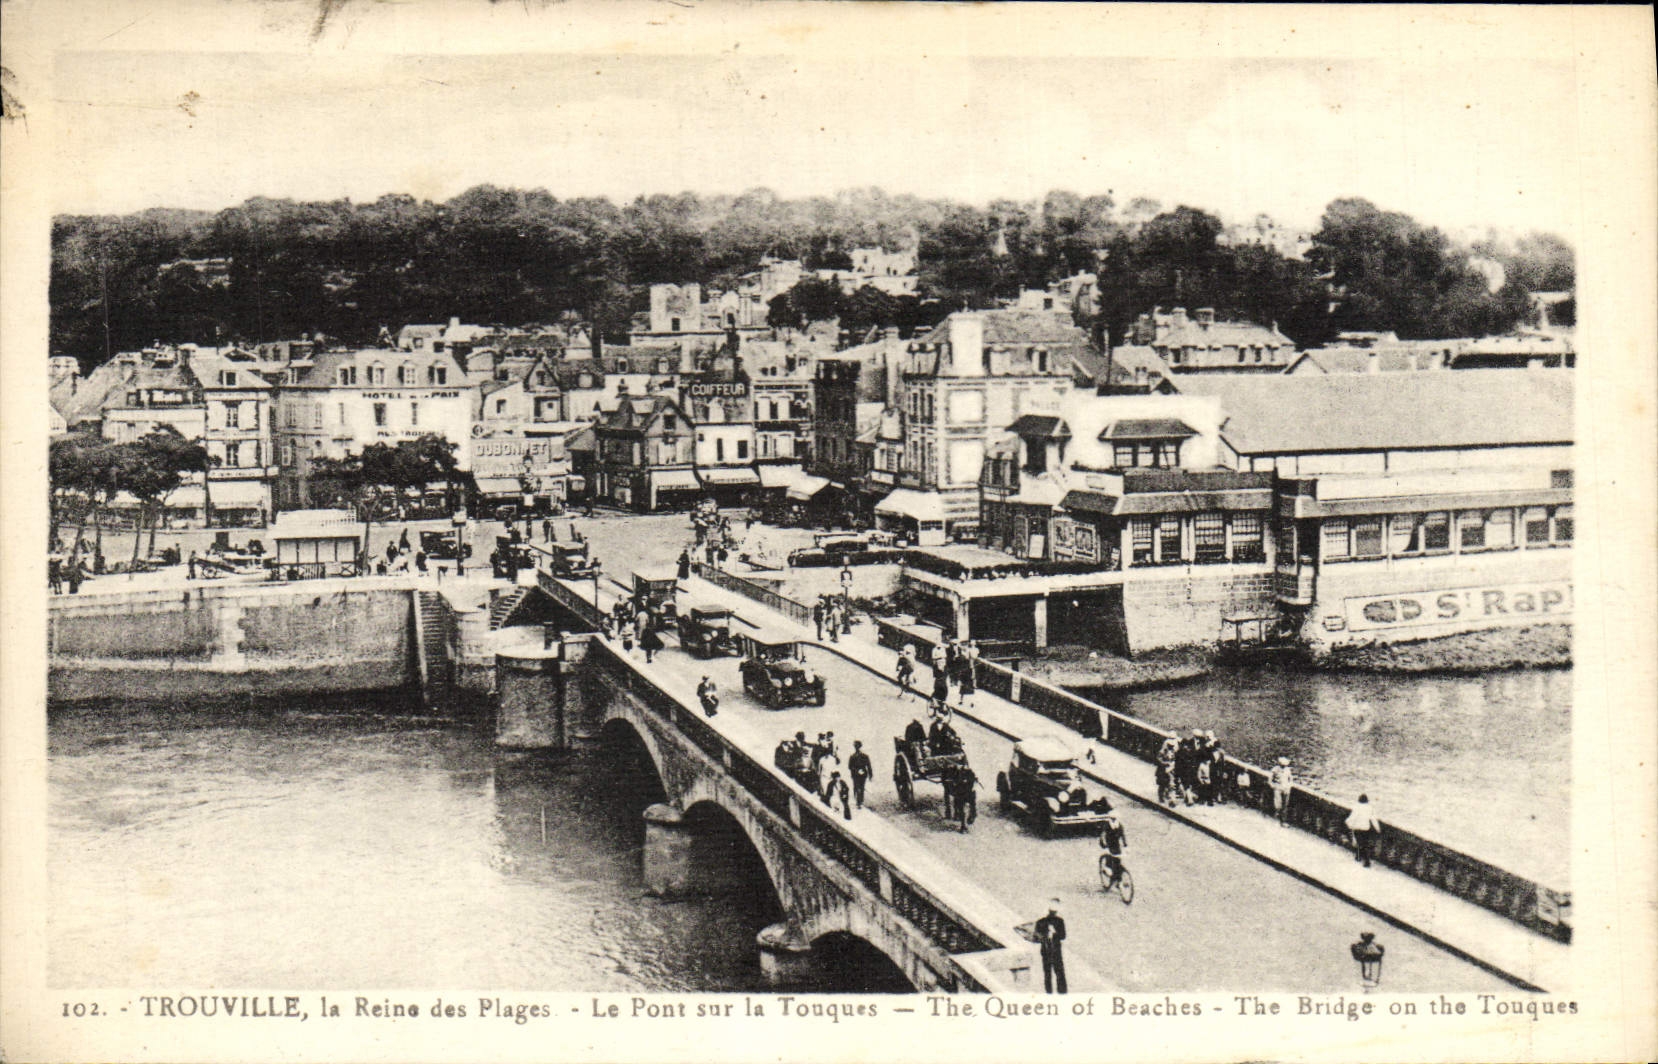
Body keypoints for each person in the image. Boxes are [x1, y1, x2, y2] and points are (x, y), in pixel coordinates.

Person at [1034, 900, 1067, 994]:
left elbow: (1036, 937)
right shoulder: (1060, 921)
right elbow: (1063, 936)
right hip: (1056, 951)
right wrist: (1055, 933)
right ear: (1056, 912)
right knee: (1059, 972)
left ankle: (1049, 993)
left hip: (1045, 950)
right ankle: (1062, 993)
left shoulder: (1040, 922)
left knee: (1047, 974)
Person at [1098, 805, 1128, 889]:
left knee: (1118, 861)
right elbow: (1103, 836)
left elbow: (1122, 835)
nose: (1113, 819)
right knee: (1109, 859)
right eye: (1112, 818)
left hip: (1116, 844)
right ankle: (1107, 871)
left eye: (1115, 818)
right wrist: (1105, 846)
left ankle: (1118, 879)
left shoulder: (1119, 826)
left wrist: (1125, 845)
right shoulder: (1107, 825)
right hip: (1108, 844)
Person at [1346, 794, 1380, 867]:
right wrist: (1378, 829)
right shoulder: (1370, 808)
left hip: (1357, 828)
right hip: (1365, 828)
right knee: (1365, 844)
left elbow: (1352, 817)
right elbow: (1373, 819)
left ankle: (1360, 858)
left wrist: (1348, 823)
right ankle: (1364, 860)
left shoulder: (1356, 807)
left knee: (1359, 843)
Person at [847, 741, 872, 809]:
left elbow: (868, 766)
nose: (857, 748)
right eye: (856, 747)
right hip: (857, 774)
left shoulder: (855, 756)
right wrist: (869, 775)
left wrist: (870, 775)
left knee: (860, 787)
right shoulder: (855, 756)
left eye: (857, 747)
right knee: (859, 787)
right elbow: (850, 766)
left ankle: (859, 801)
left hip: (860, 774)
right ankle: (859, 801)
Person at [1270, 757, 1294, 825]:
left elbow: (1291, 780)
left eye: (1285, 765)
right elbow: (1270, 779)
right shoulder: (1275, 769)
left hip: (1286, 789)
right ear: (1279, 763)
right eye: (1282, 764)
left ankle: (1283, 821)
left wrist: (1288, 787)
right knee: (1278, 804)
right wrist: (1273, 786)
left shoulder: (1288, 770)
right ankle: (1276, 819)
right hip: (1278, 787)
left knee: (1285, 805)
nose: (1284, 766)